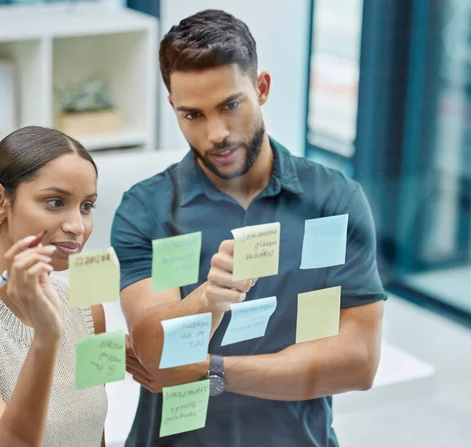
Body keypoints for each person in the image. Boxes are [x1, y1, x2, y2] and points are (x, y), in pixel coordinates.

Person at [113, 9, 387, 447]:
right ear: (173, 108)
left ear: (261, 88)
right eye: (193, 115)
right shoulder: (148, 209)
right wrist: (209, 298)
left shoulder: (334, 201)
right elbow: (156, 353)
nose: (216, 133)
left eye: (230, 106)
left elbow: (358, 362)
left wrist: (210, 370)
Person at [0, 126, 144, 447]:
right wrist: (46, 336)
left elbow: (96, 435)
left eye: (86, 206)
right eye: (55, 202)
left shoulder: (86, 308)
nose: (77, 226)